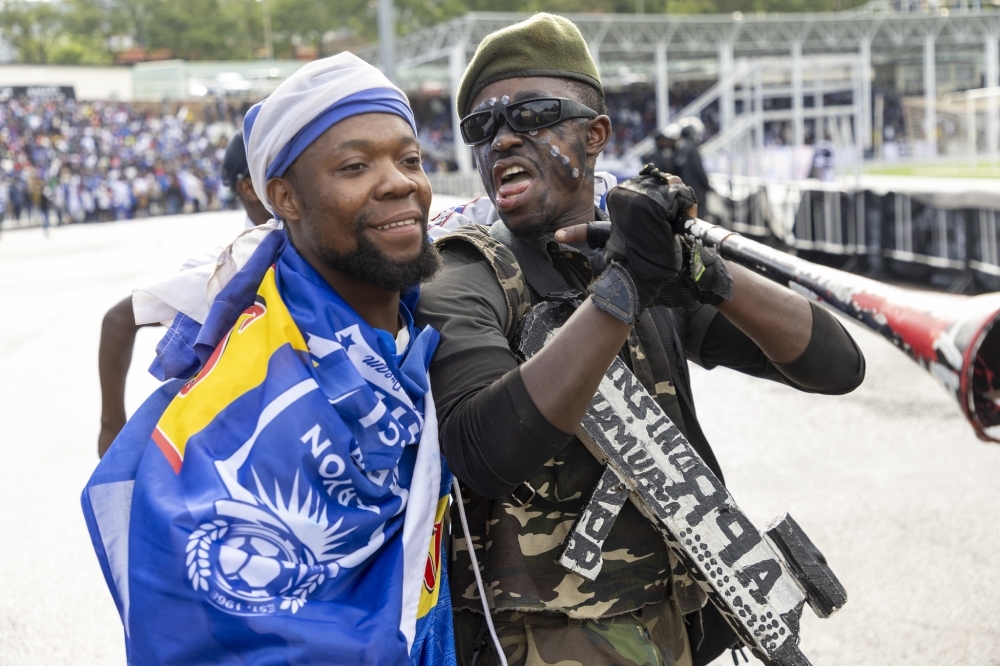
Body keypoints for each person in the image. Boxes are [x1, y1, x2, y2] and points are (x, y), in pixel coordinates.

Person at [415, 14, 865, 666]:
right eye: (480, 128)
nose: (503, 139)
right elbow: (485, 449)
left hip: (670, 623)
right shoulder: (463, 273)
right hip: (541, 641)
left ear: (595, 134)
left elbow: (836, 365)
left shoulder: (644, 258)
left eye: (533, 114)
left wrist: (706, 273)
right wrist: (622, 291)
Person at [82, 53, 455, 665]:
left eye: (409, 159)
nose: (398, 181)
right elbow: (196, 598)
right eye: (356, 165)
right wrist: (108, 426)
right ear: (282, 197)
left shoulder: (429, 306)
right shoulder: (251, 385)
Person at [97, 133, 275, 457]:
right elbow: (117, 320)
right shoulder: (222, 263)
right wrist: (112, 428)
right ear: (249, 187)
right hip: (235, 439)